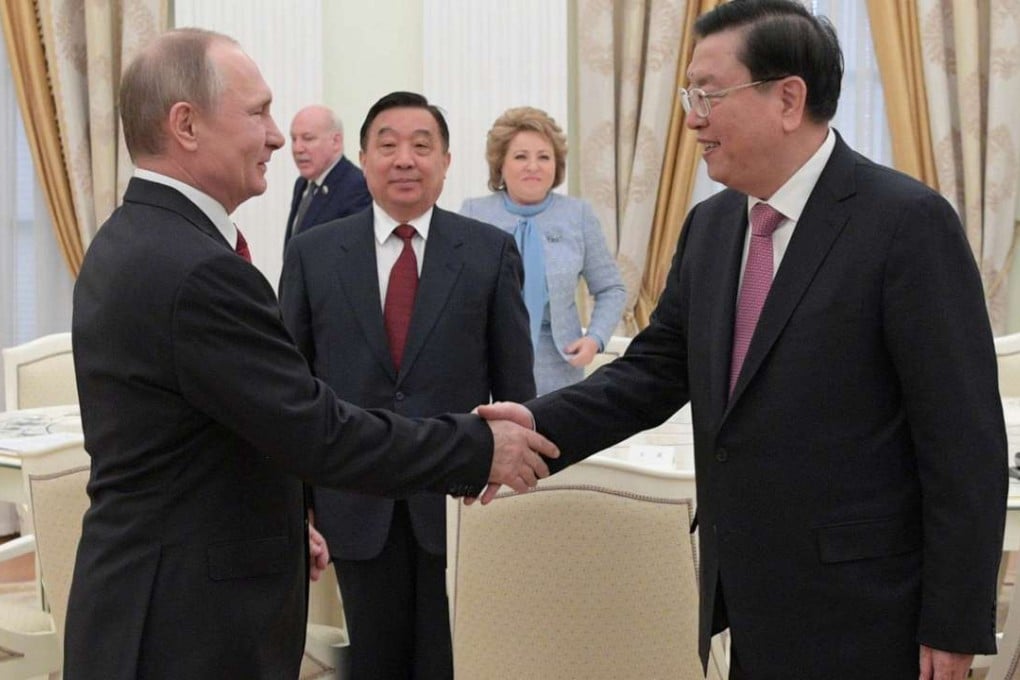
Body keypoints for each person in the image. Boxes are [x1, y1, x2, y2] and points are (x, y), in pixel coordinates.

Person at [477, 2, 1007, 678]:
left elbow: (963, 440)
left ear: (788, 99)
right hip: (749, 593)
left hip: (870, 608)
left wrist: (953, 622)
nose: (692, 118)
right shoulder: (712, 226)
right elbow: (651, 373)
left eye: (709, 94)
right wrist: (533, 426)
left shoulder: (905, 224)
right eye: (687, 96)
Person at [65, 29, 556, 680]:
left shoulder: (138, 237)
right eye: (258, 113)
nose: (277, 137)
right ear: (186, 125)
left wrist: (284, 518)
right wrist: (477, 446)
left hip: (162, 600)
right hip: (182, 625)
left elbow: (234, 426)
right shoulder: (195, 268)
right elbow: (314, 427)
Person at [279, 91, 536, 680]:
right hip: (351, 499)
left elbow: (516, 392)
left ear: (446, 162)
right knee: (373, 662)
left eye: (422, 146)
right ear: (363, 158)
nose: (404, 159)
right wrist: (298, 503)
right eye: (388, 145)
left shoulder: (488, 252)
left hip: (460, 502)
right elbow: (291, 388)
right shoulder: (313, 253)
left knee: (452, 663)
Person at [460, 107, 626, 394]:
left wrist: (595, 338)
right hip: (485, 363)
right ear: (500, 164)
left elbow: (611, 289)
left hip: (560, 367)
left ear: (556, 165)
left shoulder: (578, 215)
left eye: (544, 157)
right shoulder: (474, 214)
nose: (533, 166)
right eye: (520, 157)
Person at [283, 104, 372, 248]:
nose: (297, 148)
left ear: (336, 142)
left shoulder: (358, 187)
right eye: (294, 139)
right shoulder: (302, 184)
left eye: (308, 138)